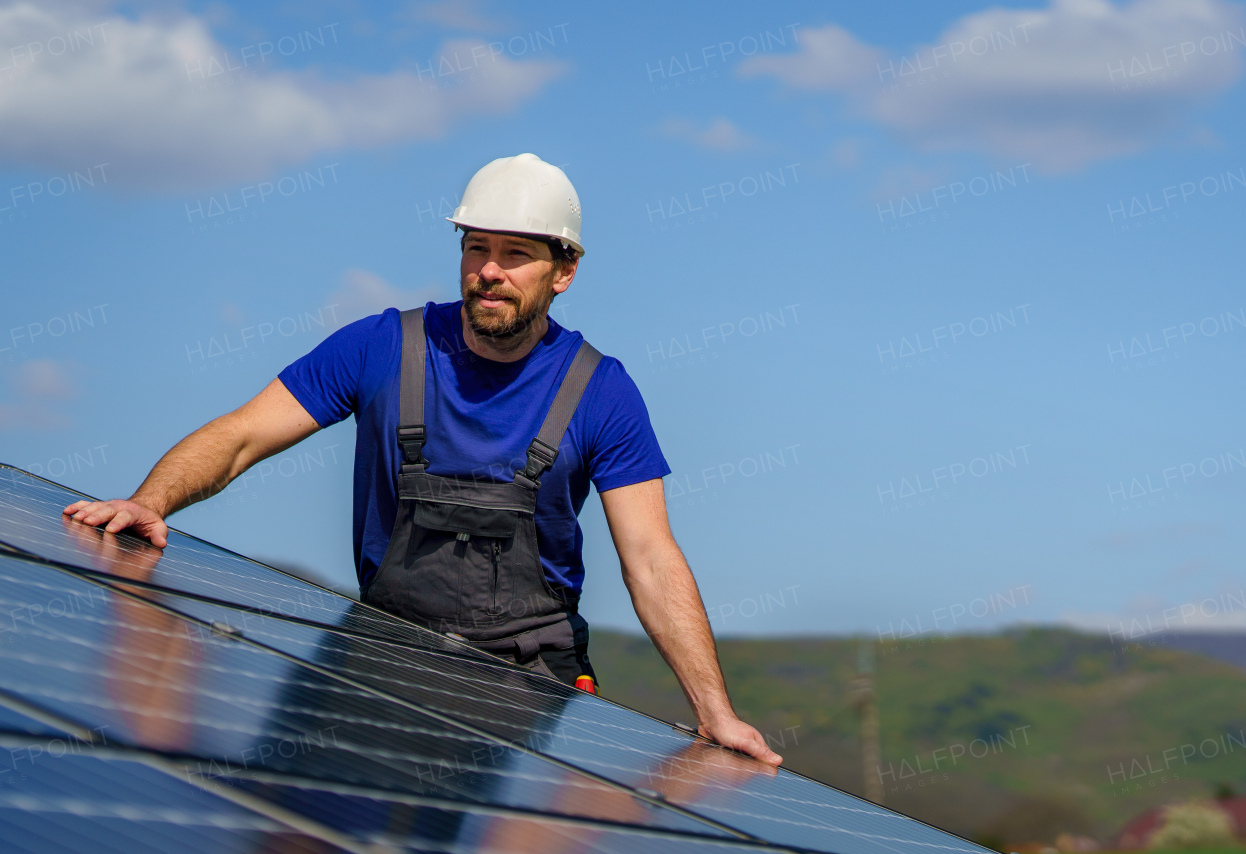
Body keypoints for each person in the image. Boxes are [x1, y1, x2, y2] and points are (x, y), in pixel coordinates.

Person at [62, 153, 782, 765]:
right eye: (476, 248)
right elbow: (243, 433)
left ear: (564, 271)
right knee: (297, 814)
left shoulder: (602, 392)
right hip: (387, 654)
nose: (490, 271)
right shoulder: (384, 347)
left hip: (532, 681)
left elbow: (651, 558)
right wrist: (151, 500)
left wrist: (713, 711)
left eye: (517, 254)